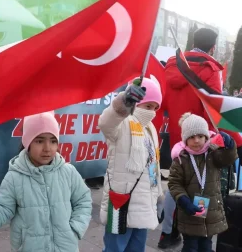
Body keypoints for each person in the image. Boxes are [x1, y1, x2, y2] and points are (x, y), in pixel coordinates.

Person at [158, 27, 242, 249]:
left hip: (180, 135)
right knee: (201, 185)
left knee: (175, 184)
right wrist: (227, 139)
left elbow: (165, 103)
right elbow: (212, 108)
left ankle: (167, 233)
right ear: (213, 47)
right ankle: (198, 234)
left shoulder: (173, 64)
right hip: (202, 138)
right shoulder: (210, 68)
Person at [0, 112, 92, 251]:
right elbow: (2, 210)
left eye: (53, 141)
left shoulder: (68, 172)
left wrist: (75, 229)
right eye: (39, 141)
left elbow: (83, 201)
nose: (47, 148)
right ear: (28, 143)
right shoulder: (15, 177)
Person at [99, 77, 163, 252]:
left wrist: (158, 198)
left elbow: (154, 167)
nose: (152, 112)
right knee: (114, 249)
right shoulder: (122, 123)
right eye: (148, 106)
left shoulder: (150, 129)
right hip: (120, 204)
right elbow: (106, 123)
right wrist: (123, 103)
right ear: (136, 102)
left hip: (143, 207)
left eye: (155, 108)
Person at [168, 113, 237, 252]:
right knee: (191, 247)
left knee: (206, 246)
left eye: (200, 136)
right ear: (185, 139)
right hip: (190, 214)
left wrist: (230, 146)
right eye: (192, 137)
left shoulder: (213, 154)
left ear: (206, 136)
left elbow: (227, 159)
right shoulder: (181, 159)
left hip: (210, 214)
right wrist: (183, 200)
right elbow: (175, 183)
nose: (197, 141)